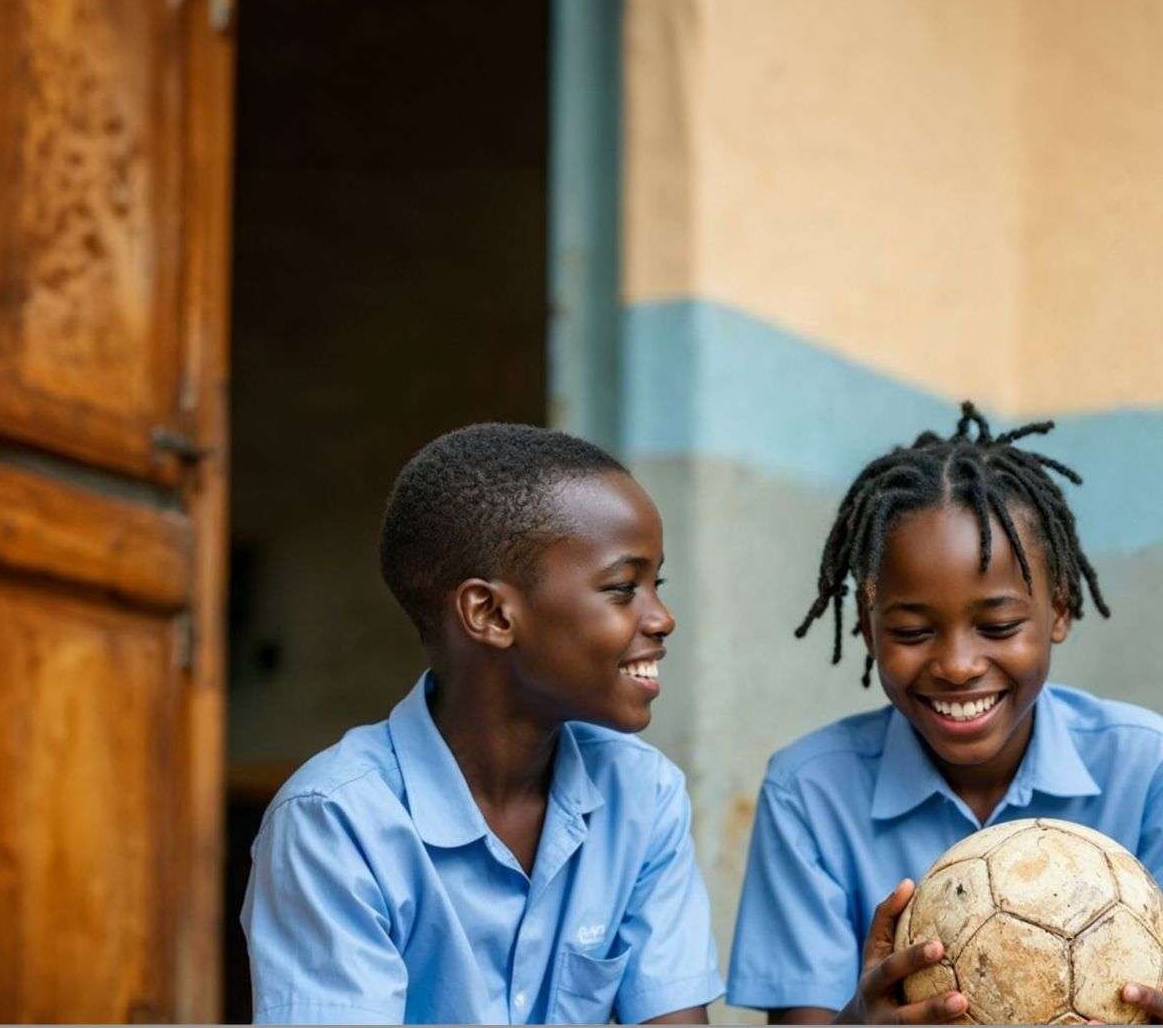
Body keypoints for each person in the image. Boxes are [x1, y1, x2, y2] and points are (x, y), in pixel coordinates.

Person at [240, 423, 723, 1024]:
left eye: (659, 584)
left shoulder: (643, 795)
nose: (663, 618)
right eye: (624, 588)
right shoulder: (336, 822)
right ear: (491, 613)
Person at [728, 402, 1163, 1023]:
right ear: (867, 630)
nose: (957, 664)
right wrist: (860, 1020)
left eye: (999, 625)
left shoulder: (1146, 765)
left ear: (1060, 611)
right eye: (910, 631)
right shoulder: (810, 792)